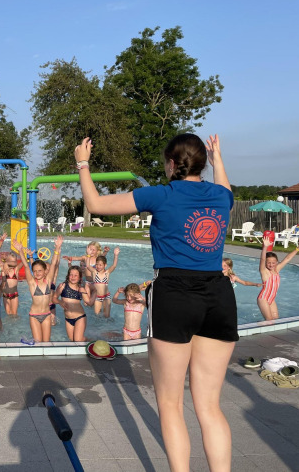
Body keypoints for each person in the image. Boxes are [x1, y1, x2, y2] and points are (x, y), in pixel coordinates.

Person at [76, 133, 237, 471]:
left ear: (171, 164)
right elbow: (225, 187)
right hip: (219, 295)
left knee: (171, 404)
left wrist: (83, 163)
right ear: (203, 164)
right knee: (210, 407)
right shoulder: (222, 197)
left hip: (175, 294)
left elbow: (96, 205)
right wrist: (218, 160)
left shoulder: (162, 194)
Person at [13, 236, 62, 343]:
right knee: (38, 342)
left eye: (40, 271)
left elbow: (53, 264)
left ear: (45, 271)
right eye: (35, 271)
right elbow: (26, 266)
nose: (37, 273)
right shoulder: (32, 283)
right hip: (34, 316)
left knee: (46, 343)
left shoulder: (48, 281)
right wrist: (20, 251)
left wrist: (57, 248)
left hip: (47, 315)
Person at [257, 236, 299, 320]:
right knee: (269, 321)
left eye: (273, 263)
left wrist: (298, 248)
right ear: (265, 263)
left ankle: (259, 324)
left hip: (272, 299)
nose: (271, 265)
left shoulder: (277, 270)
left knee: (276, 320)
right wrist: (265, 247)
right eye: (269, 263)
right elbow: (262, 259)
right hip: (263, 299)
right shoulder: (264, 271)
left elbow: (287, 259)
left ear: (276, 262)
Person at [54, 265, 91, 342]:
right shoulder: (62, 286)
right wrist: (60, 302)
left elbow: (89, 302)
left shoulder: (80, 288)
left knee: (78, 340)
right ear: (68, 275)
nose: (73, 277)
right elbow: (54, 298)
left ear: (80, 277)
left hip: (80, 317)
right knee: (72, 340)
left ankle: (91, 341)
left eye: (75, 275)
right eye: (71, 275)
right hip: (68, 319)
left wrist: (89, 292)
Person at [82, 248, 120, 317]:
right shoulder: (94, 272)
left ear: (105, 265)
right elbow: (88, 266)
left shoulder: (107, 272)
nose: (98, 266)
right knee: (97, 316)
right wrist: (88, 255)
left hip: (106, 296)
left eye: (100, 265)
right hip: (97, 297)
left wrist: (116, 255)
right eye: (96, 264)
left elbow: (114, 265)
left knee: (107, 316)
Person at [0, 252, 23, 317]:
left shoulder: (16, 270)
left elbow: (23, 262)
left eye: (14, 262)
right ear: (7, 260)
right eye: (11, 262)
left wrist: (6, 263)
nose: (13, 264)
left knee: (14, 313)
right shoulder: (4, 269)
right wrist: (4, 263)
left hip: (14, 295)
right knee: (8, 314)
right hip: (5, 295)